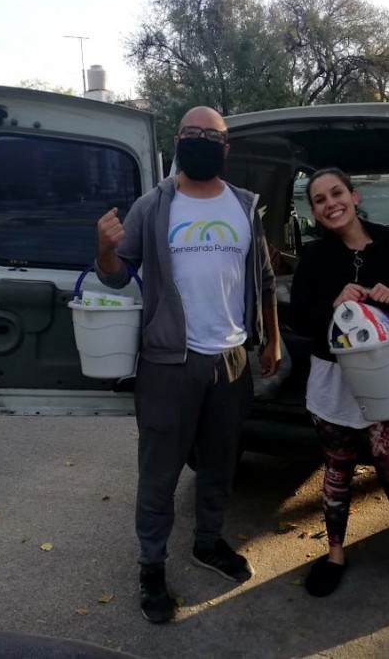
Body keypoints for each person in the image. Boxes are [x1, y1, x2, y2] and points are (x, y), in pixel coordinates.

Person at [95, 106, 281, 624]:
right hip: (167, 363)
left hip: (232, 360)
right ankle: (151, 568)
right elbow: (115, 278)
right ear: (179, 140)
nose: (202, 140)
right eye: (193, 133)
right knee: (159, 474)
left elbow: (264, 279)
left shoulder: (244, 206)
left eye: (212, 135)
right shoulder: (152, 206)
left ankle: (207, 541)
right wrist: (105, 250)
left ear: (225, 147)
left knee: (221, 463)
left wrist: (272, 341)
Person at [288, 167, 389, 602]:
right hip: (334, 383)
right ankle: (335, 554)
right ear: (315, 212)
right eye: (319, 200)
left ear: (354, 196)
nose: (330, 203)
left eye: (336, 193)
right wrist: (334, 303)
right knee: (336, 471)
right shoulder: (316, 260)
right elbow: (300, 317)